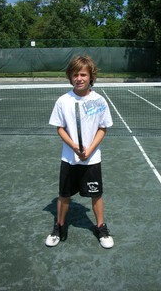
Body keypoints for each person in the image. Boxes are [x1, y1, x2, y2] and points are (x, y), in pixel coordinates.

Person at [45, 55, 114, 249]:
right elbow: (59, 127)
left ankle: (101, 227)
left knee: (96, 194)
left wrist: (90, 150)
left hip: (92, 160)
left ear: (91, 76)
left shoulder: (99, 101)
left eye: (83, 74)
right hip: (69, 159)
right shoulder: (63, 101)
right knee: (64, 195)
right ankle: (59, 226)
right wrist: (74, 147)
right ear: (70, 77)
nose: (79, 78)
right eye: (75, 74)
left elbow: (103, 128)